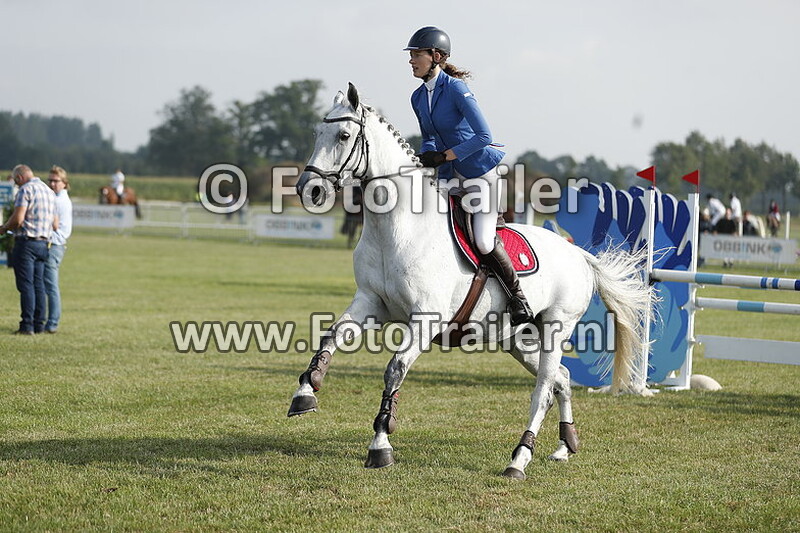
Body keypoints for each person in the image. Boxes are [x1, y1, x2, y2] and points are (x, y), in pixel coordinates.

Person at [405, 26, 533, 325]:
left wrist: (446, 155)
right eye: (411, 55)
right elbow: (429, 137)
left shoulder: (456, 90)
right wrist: (427, 154)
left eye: (416, 55)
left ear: (436, 57)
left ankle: (518, 297)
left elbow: (483, 135)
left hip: (479, 172)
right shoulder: (417, 97)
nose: (411, 60)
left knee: (484, 242)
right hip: (450, 175)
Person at [0, 165, 58, 334]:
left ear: (19, 178)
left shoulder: (25, 190)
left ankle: (27, 325)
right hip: (43, 244)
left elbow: (18, 219)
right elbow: (55, 224)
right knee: (39, 284)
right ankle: (39, 324)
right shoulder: (49, 192)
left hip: (26, 243)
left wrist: (4, 228)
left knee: (26, 285)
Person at [43, 165, 72, 333]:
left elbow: (60, 231)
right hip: (52, 244)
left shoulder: (60, 201)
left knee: (51, 285)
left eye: (56, 181)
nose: (52, 184)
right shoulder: (55, 198)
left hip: (54, 245)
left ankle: (52, 322)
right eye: (50, 180)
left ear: (64, 183)